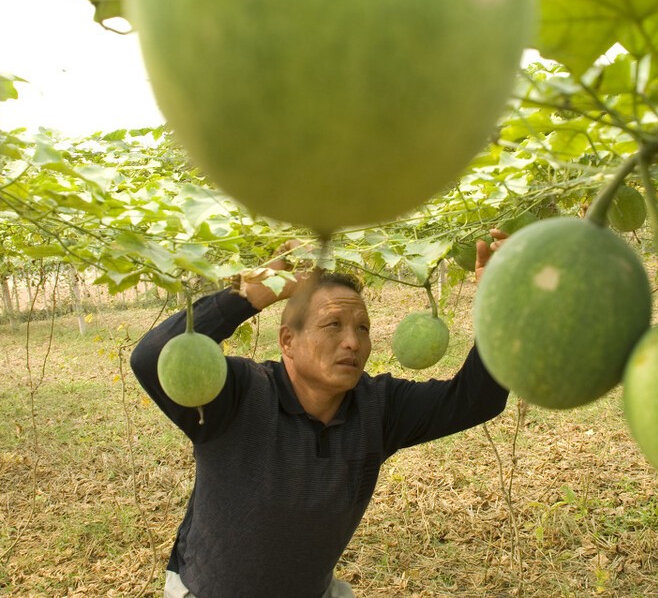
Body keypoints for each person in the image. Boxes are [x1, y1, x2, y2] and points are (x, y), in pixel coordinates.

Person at [130, 234, 508, 598]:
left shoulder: (379, 405)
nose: (353, 342)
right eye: (333, 325)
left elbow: (477, 400)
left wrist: (498, 301)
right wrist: (258, 288)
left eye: (363, 327)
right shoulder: (238, 395)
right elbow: (152, 357)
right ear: (287, 342)